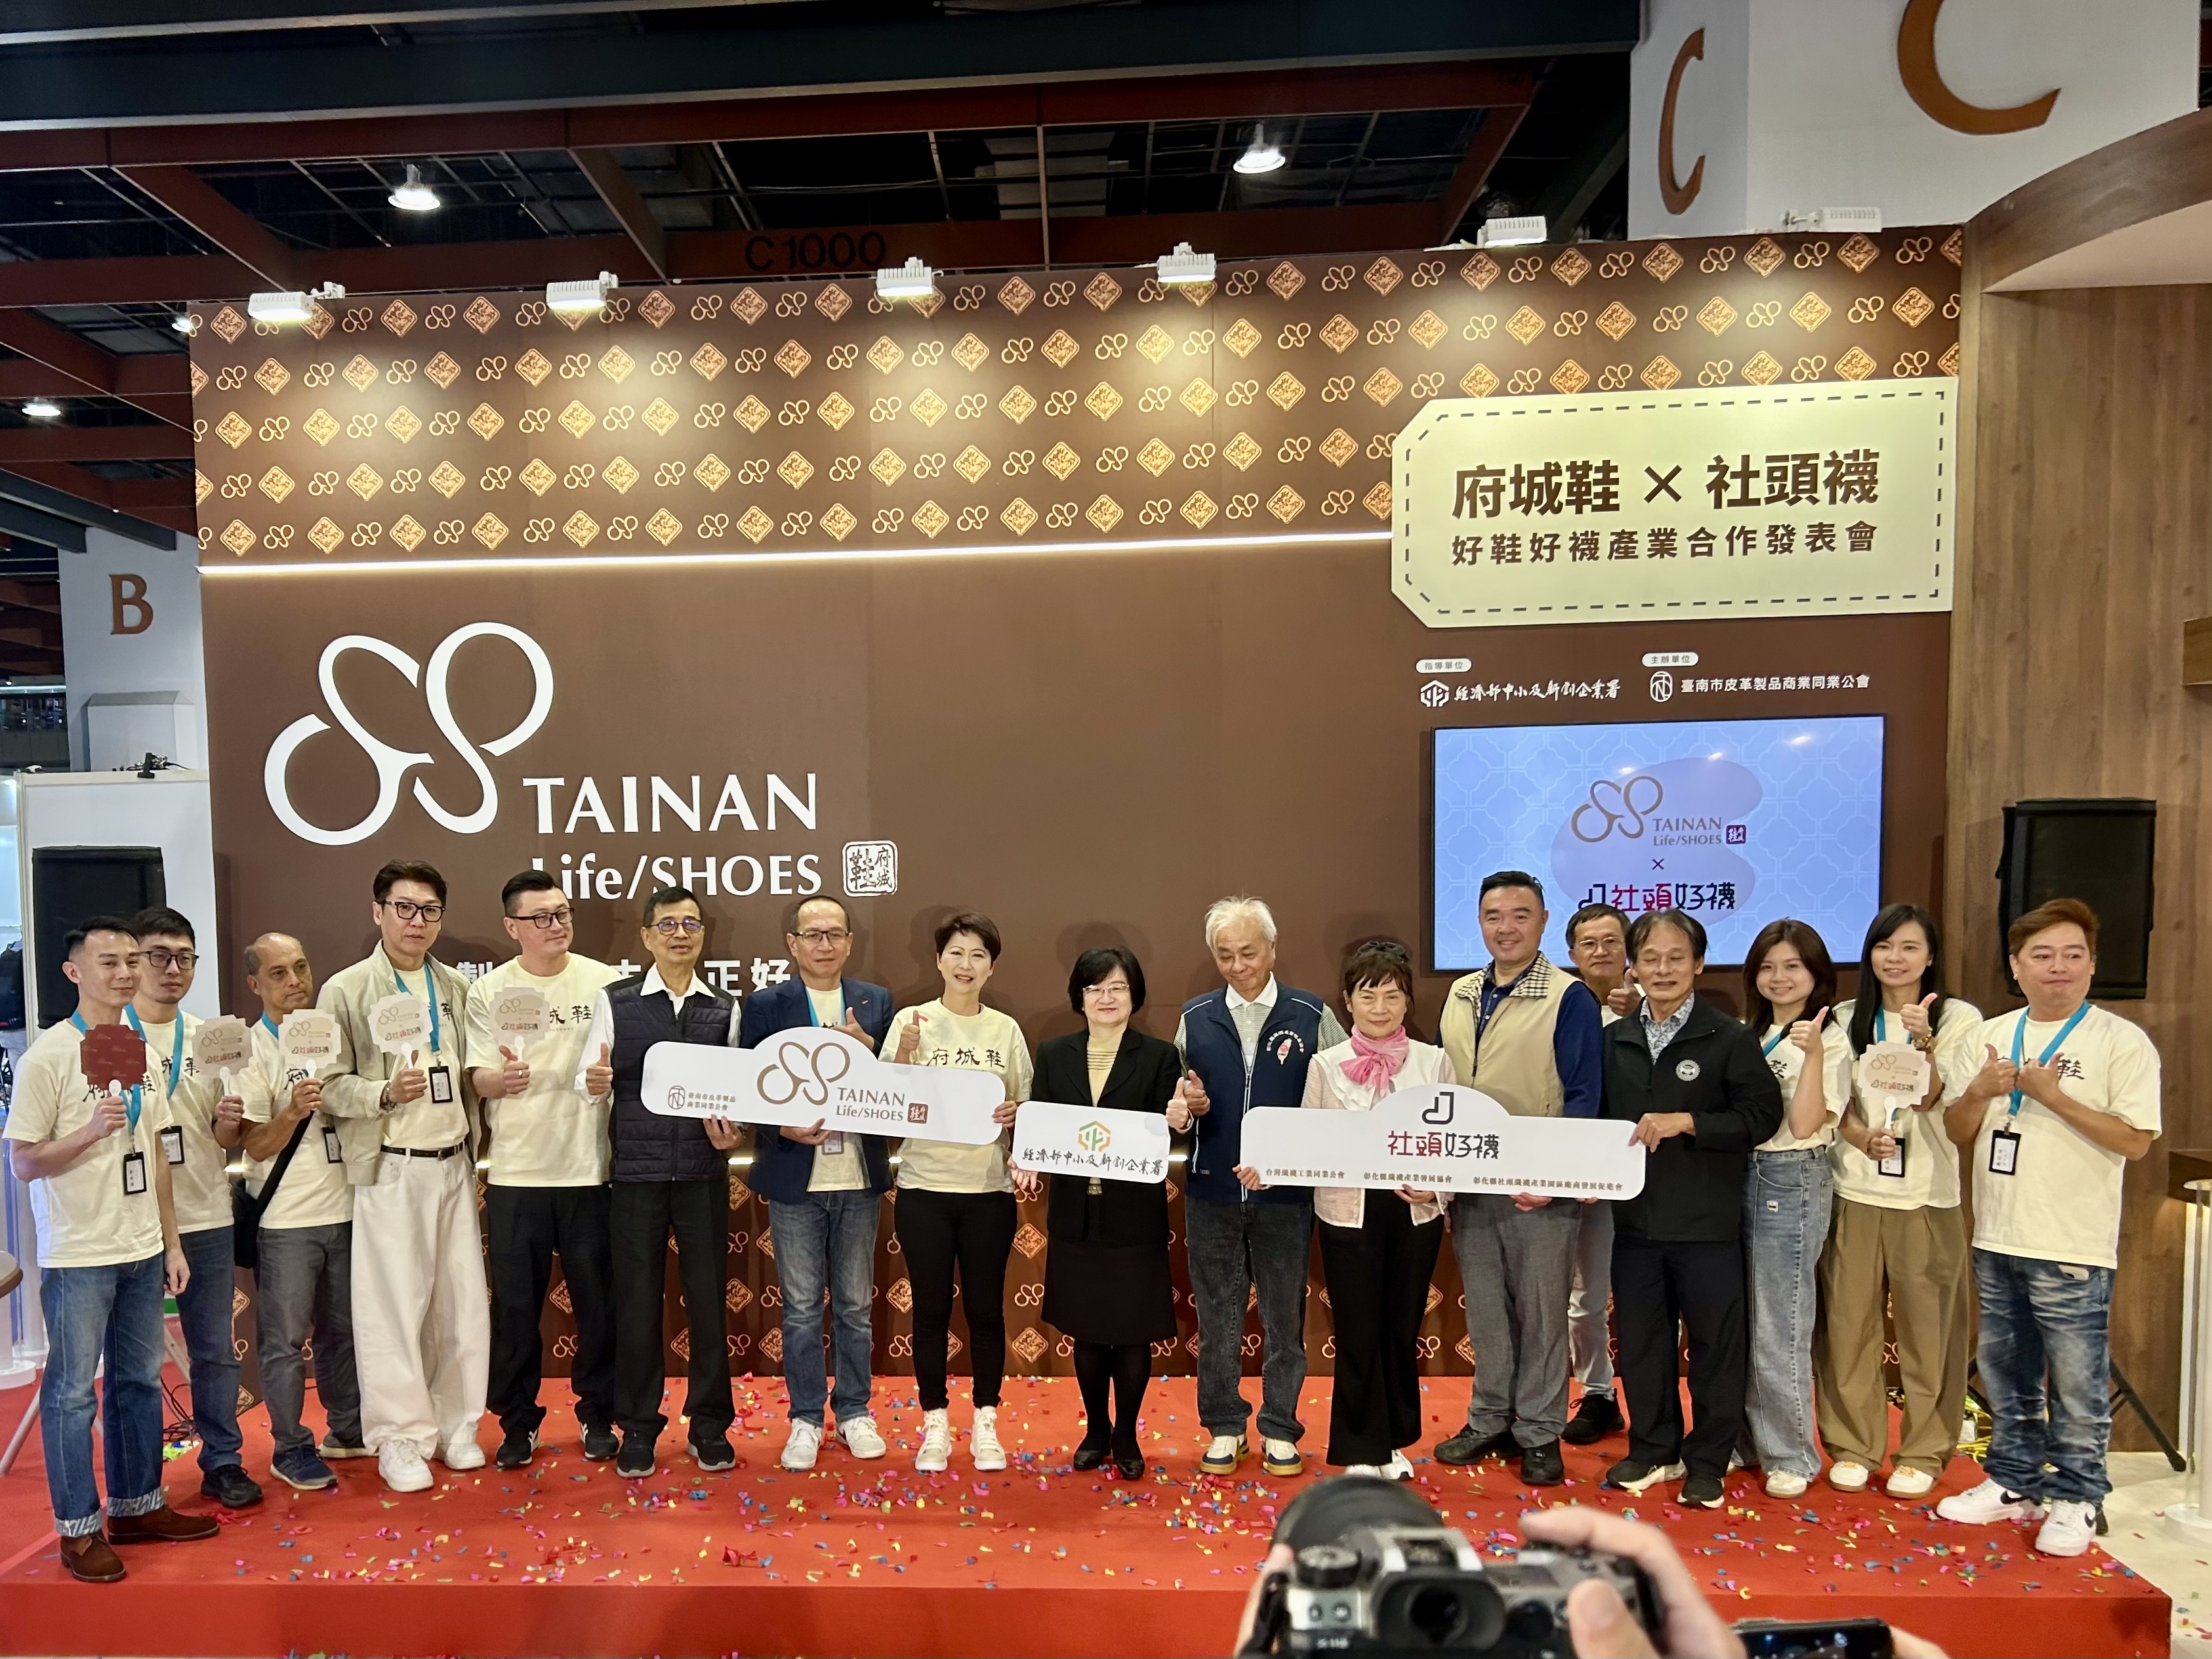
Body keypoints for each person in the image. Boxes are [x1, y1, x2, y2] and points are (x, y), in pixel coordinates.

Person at [1938, 897, 2160, 1557]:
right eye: (2042, 955)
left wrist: (2053, 1096)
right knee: (2006, 1373)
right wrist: (1979, 1091)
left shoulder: (2121, 1041)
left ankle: (2078, 1496)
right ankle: (2014, 1481)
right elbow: (1957, 1130)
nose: (2057, 967)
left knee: (2076, 1383)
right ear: (2016, 966)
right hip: (1996, 1232)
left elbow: (2136, 1140)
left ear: (2092, 965)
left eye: (2072, 955)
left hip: (2072, 1242)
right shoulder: (1992, 1034)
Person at [4, 918, 219, 1582]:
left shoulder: (137, 1048)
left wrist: (171, 1241)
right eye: (109, 962)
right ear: (74, 972)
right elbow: (24, 1163)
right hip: (79, 1252)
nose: (125, 973)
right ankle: (78, 1528)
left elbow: (154, 1151)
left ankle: (138, 1505)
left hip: (142, 1245)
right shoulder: (48, 1055)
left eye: (131, 960)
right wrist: (88, 1133)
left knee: (138, 1382)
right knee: (73, 1394)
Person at [1601, 909, 1781, 1509]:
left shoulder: (1728, 1036)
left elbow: (1760, 1117)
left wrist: (1690, 1122)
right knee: (1642, 1344)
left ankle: (1708, 1460)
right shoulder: (1615, 1039)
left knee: (1714, 1348)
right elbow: (1595, 1122)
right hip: (1634, 1224)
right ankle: (1654, 1448)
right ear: (1633, 966)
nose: (1663, 969)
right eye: (1650, 958)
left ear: (1699, 964)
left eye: (1677, 957)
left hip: (1707, 1223)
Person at [318, 859, 486, 1494]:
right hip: (391, 1165)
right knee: (391, 1306)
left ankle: (457, 1425)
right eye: (405, 907)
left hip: (454, 1161)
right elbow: (329, 1084)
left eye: (430, 910)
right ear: (378, 911)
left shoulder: (456, 986)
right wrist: (383, 1093)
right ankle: (399, 1437)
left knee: (460, 1303)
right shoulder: (347, 989)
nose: (418, 921)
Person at [1434, 874, 1603, 1487]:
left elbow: (1584, 1096)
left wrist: (1555, 1177)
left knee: (1541, 1313)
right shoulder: (1459, 993)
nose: (1506, 927)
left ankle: (1539, 1431)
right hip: (1471, 1180)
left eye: (1520, 915)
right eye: (1493, 915)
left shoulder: (1569, 996)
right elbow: (1439, 1085)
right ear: (1480, 921)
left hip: (1538, 1187)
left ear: (1543, 920)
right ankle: (1490, 1419)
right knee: (1487, 1313)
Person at [576, 885, 743, 1479]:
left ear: (703, 934)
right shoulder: (615, 1001)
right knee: (637, 1305)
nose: (680, 934)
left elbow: (736, 1095)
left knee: (709, 1305)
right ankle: (639, 1428)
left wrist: (733, 1133)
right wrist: (593, 1082)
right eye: (668, 924)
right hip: (636, 1176)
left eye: (691, 924)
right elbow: (587, 1080)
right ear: (646, 935)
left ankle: (709, 1427)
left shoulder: (724, 1006)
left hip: (703, 1175)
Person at [1176, 895, 1346, 1479]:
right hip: (1212, 1192)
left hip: (1285, 1197)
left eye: (1248, 952)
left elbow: (1340, 1100)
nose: (1238, 965)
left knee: (1283, 1319)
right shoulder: (1196, 1016)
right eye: (1225, 955)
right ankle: (1225, 1425)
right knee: (1217, 1320)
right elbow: (1176, 1102)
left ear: (1273, 948)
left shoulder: (1311, 1014)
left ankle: (1280, 1426)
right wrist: (1188, 1106)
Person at [466, 870, 626, 1470]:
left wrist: (611, 1078)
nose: (555, 925)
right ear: (512, 927)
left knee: (599, 1307)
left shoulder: (605, 983)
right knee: (515, 1310)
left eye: (562, 913)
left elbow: (630, 1066)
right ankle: (518, 1422)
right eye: (540, 917)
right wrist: (498, 1079)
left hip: (590, 1170)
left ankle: (598, 1414)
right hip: (517, 1173)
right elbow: (476, 1074)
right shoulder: (488, 991)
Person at [1818, 905, 1980, 1499]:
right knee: (1847, 1325)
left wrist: (1924, 1039)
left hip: (1927, 1197)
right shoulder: (1845, 1017)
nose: (1896, 958)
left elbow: (1940, 1100)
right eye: (1885, 946)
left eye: (1910, 947)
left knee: (1930, 1331)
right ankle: (1853, 1445)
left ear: (1930, 956)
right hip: (1854, 1190)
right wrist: (1863, 1137)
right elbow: (1834, 1105)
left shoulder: (1958, 1017)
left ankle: (1924, 1450)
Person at [737, 895, 895, 1472]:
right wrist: (781, 1125)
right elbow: (747, 1084)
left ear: (850, 941)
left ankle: (854, 1410)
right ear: (792, 943)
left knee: (854, 1307)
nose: (824, 944)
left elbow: (899, 1088)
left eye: (834, 933)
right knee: (802, 1309)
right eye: (812, 934)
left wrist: (871, 1053)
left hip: (857, 1175)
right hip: (794, 1178)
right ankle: (805, 1416)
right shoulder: (766, 1004)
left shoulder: (876, 1002)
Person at [1023, 945, 1191, 1479]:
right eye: (1095, 988)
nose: (1106, 997)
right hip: (1076, 1213)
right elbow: (1041, 1124)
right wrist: (1025, 1154)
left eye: (1118, 987)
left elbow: (1172, 1127)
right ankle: (1096, 1428)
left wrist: (1182, 1118)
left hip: (1133, 1214)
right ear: (1079, 997)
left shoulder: (1160, 1056)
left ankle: (1126, 1435)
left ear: (1134, 995)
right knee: (1090, 1331)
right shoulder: (1055, 1054)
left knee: (1132, 1332)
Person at [1284, 939, 1449, 1480]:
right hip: (1347, 1212)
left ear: (1408, 1002)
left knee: (1400, 1328)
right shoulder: (1325, 1065)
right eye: (1368, 995)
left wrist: (1435, 1190)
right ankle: (1360, 1447)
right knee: (1358, 1330)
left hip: (1414, 1213)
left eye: (1392, 995)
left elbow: (1455, 1148)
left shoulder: (1433, 1061)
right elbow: (1309, 1142)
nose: (1380, 1007)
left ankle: (1394, 1441)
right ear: (1348, 1001)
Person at [883, 911, 1030, 1473]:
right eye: (956, 953)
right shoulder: (911, 1021)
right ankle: (935, 1424)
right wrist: (904, 1053)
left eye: (978, 955)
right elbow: (884, 1104)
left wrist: (1017, 1113)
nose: (966, 964)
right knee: (930, 1311)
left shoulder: (1005, 1030)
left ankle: (986, 1422)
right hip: (924, 1188)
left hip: (988, 1191)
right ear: (939, 960)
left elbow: (1027, 1104)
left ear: (991, 967)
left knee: (986, 1310)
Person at [130, 906, 258, 1511]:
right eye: (159, 956)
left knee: (213, 1349)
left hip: (205, 1212)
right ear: (134, 961)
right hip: (133, 1220)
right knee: (134, 1360)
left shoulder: (212, 1038)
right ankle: (137, 1482)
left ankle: (223, 1461)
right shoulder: (111, 1037)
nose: (173, 968)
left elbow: (224, 1137)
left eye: (185, 957)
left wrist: (229, 1122)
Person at [237, 931, 364, 1492]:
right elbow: (253, 1144)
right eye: (279, 973)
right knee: (285, 1341)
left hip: (347, 1207)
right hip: (286, 1219)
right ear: (254, 983)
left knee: (345, 1332)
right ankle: (290, 1446)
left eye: (302, 968)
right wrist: (291, 1112)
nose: (295, 982)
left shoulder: (332, 1037)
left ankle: (348, 1428)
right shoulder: (250, 1050)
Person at [1734, 918, 1851, 1498]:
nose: (1778, 978)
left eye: (1792, 967)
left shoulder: (1831, 1038)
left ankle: (1792, 1453)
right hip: (1739, 1173)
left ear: (1816, 973)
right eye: (1768, 967)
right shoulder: (1748, 1031)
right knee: (1741, 1320)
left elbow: (1805, 1123)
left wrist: (1813, 1056)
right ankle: (1750, 1440)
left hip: (1791, 1175)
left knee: (1780, 1321)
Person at [1561, 901, 1633, 1447]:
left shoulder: (1661, 1002)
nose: (1601, 951)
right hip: (1585, 1174)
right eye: (1589, 943)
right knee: (1585, 1295)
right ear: (1572, 953)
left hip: (1655, 1172)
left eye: (1611, 941)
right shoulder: (1563, 1007)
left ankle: (1659, 1404)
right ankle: (1599, 1393)